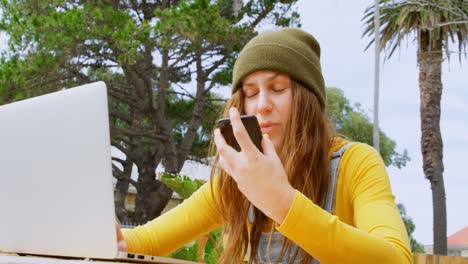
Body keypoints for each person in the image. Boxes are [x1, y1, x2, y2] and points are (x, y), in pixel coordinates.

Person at [117, 28, 412, 264]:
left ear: (308, 99)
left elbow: (396, 258)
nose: (262, 106)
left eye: (278, 89)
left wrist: (281, 201)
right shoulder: (234, 183)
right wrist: (107, 235)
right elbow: (147, 240)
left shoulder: (355, 164)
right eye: (250, 92)